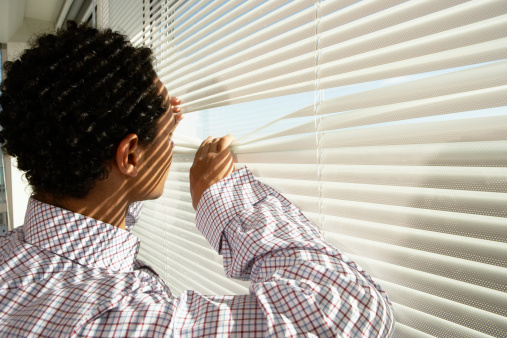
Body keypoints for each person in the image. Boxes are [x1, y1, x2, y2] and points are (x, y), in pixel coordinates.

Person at [0, 22, 394, 337]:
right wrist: (226, 200)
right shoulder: (118, 319)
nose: (173, 138)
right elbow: (348, 314)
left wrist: (148, 127)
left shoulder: (12, 260)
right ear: (130, 154)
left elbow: (98, 210)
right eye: (168, 135)